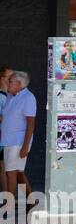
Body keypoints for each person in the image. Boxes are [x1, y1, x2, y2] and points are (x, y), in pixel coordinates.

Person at [2, 70, 38, 207]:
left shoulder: (28, 98)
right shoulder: (11, 96)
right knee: (18, 173)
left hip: (18, 142)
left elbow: (31, 123)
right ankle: (31, 201)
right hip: (8, 140)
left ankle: (8, 206)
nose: (7, 83)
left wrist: (25, 146)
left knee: (10, 173)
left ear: (19, 84)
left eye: (10, 81)